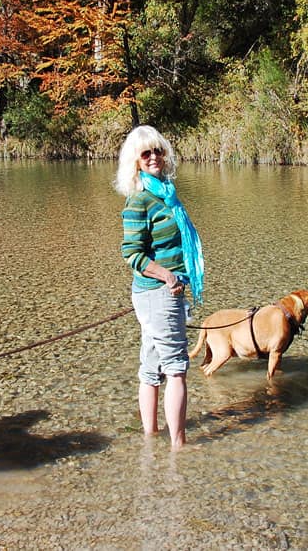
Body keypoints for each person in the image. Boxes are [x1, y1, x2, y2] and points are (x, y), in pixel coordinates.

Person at [115, 125, 204, 451]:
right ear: (135, 162)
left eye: (158, 151)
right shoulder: (139, 201)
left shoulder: (166, 194)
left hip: (162, 294)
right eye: (146, 153)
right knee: (177, 369)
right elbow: (132, 254)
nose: (154, 157)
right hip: (159, 294)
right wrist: (168, 277)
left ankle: (151, 440)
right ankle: (179, 448)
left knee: (152, 368)